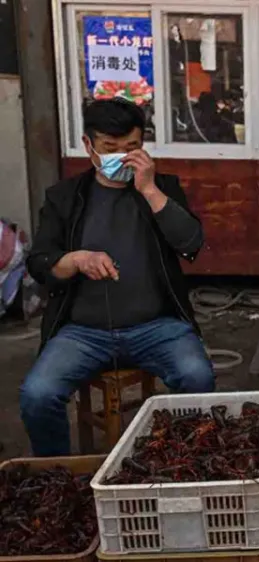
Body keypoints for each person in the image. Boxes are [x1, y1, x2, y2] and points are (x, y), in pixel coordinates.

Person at [22, 99, 214, 457]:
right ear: (89, 145)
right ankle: (58, 476)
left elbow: (191, 244)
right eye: (110, 148)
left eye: (132, 148)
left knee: (198, 377)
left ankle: (185, 464)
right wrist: (76, 260)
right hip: (82, 332)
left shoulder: (162, 187)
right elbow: (40, 264)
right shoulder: (65, 198)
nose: (120, 157)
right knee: (38, 394)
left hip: (157, 326)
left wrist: (149, 189)